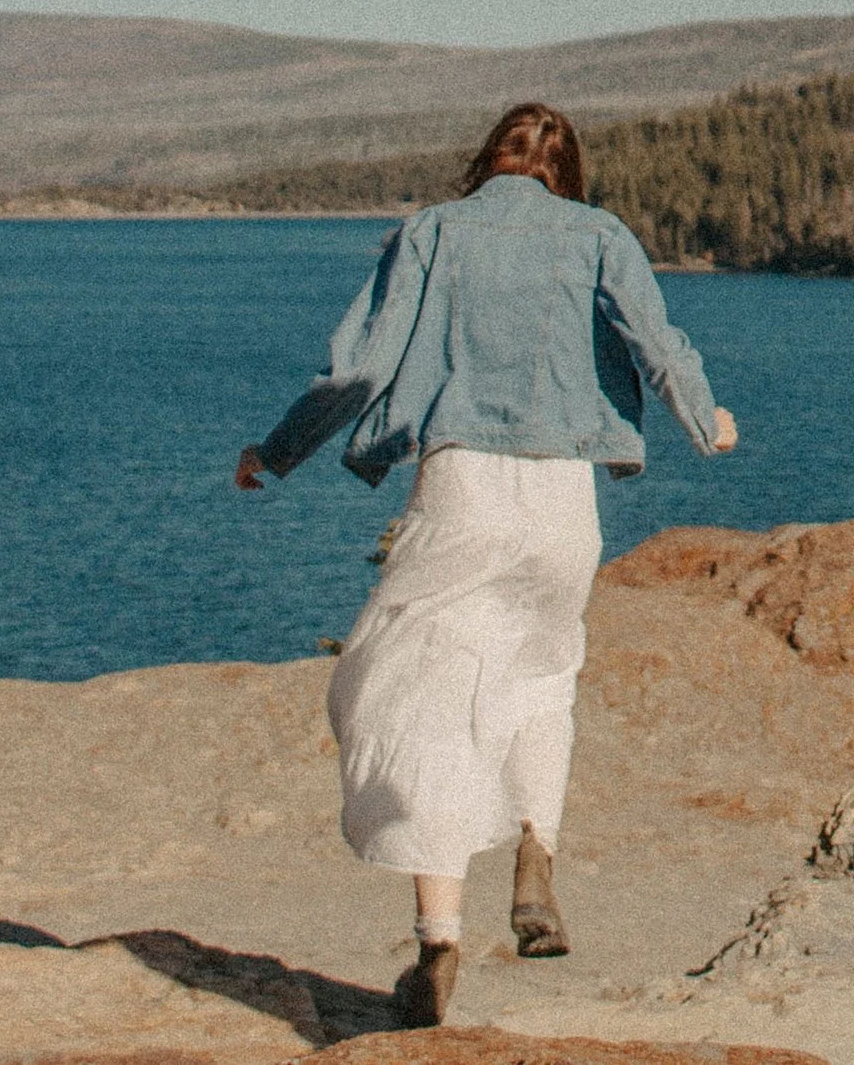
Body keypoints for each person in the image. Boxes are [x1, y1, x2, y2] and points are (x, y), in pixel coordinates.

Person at [234, 101, 737, 1026]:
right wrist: (707, 420)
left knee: (412, 694)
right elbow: (656, 340)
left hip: (463, 482)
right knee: (544, 681)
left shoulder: (432, 231)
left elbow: (360, 364)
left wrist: (276, 450)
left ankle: (437, 940)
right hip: (564, 501)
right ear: (565, 172)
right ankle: (536, 854)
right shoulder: (598, 234)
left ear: (487, 162)